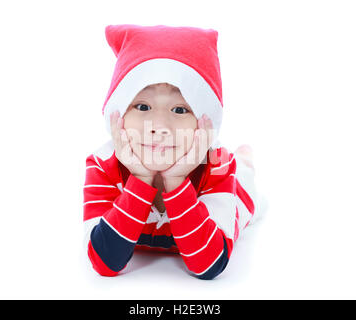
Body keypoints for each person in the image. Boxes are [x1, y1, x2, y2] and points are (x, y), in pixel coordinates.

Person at [83, 24, 261, 280]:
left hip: (233, 185)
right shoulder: (101, 164)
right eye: (142, 106)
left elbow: (209, 266)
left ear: (204, 121)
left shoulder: (218, 165)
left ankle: (245, 162)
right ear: (118, 115)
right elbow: (104, 262)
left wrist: (177, 180)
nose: (159, 127)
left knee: (244, 183)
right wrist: (141, 179)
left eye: (179, 110)